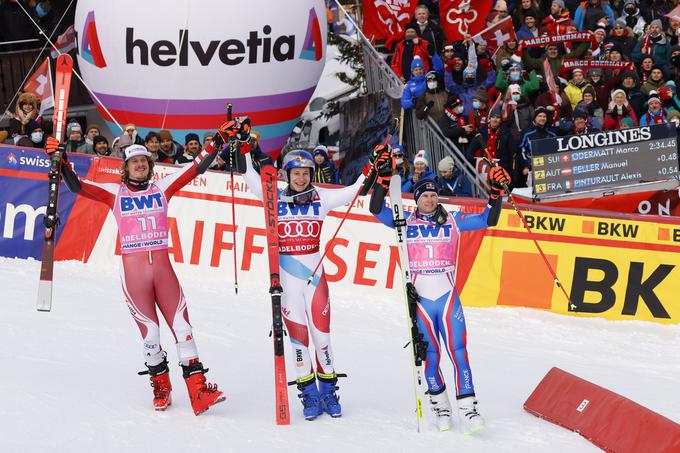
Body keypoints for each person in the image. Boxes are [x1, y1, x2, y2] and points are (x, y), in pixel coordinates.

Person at [43, 123, 232, 414]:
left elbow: (195, 168)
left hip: (163, 270)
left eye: (144, 161)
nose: (140, 165)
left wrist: (218, 140)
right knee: (151, 336)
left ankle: (198, 393)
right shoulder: (113, 192)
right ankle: (162, 387)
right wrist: (61, 160)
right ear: (126, 168)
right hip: (134, 275)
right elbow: (77, 186)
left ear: (150, 165)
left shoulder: (163, 187)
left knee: (183, 328)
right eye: (134, 162)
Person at [240, 130, 376, 420]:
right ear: (287, 175)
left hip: (316, 280)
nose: (301, 178)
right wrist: (243, 147)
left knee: (322, 338)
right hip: (287, 282)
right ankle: (309, 395)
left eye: (305, 173)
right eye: (296, 173)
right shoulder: (272, 195)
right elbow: (247, 173)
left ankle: (328, 391)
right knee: (298, 339)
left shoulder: (322, 198)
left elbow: (354, 190)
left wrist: (372, 167)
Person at [373, 167, 510, 433]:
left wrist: (496, 192)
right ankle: (441, 407)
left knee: (459, 353)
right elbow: (376, 209)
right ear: (417, 199)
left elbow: (488, 219)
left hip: (447, 298)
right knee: (431, 357)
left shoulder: (453, 219)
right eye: (425, 196)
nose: (431, 199)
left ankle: (469, 410)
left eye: (434, 195)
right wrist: (381, 178)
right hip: (421, 302)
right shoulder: (404, 220)